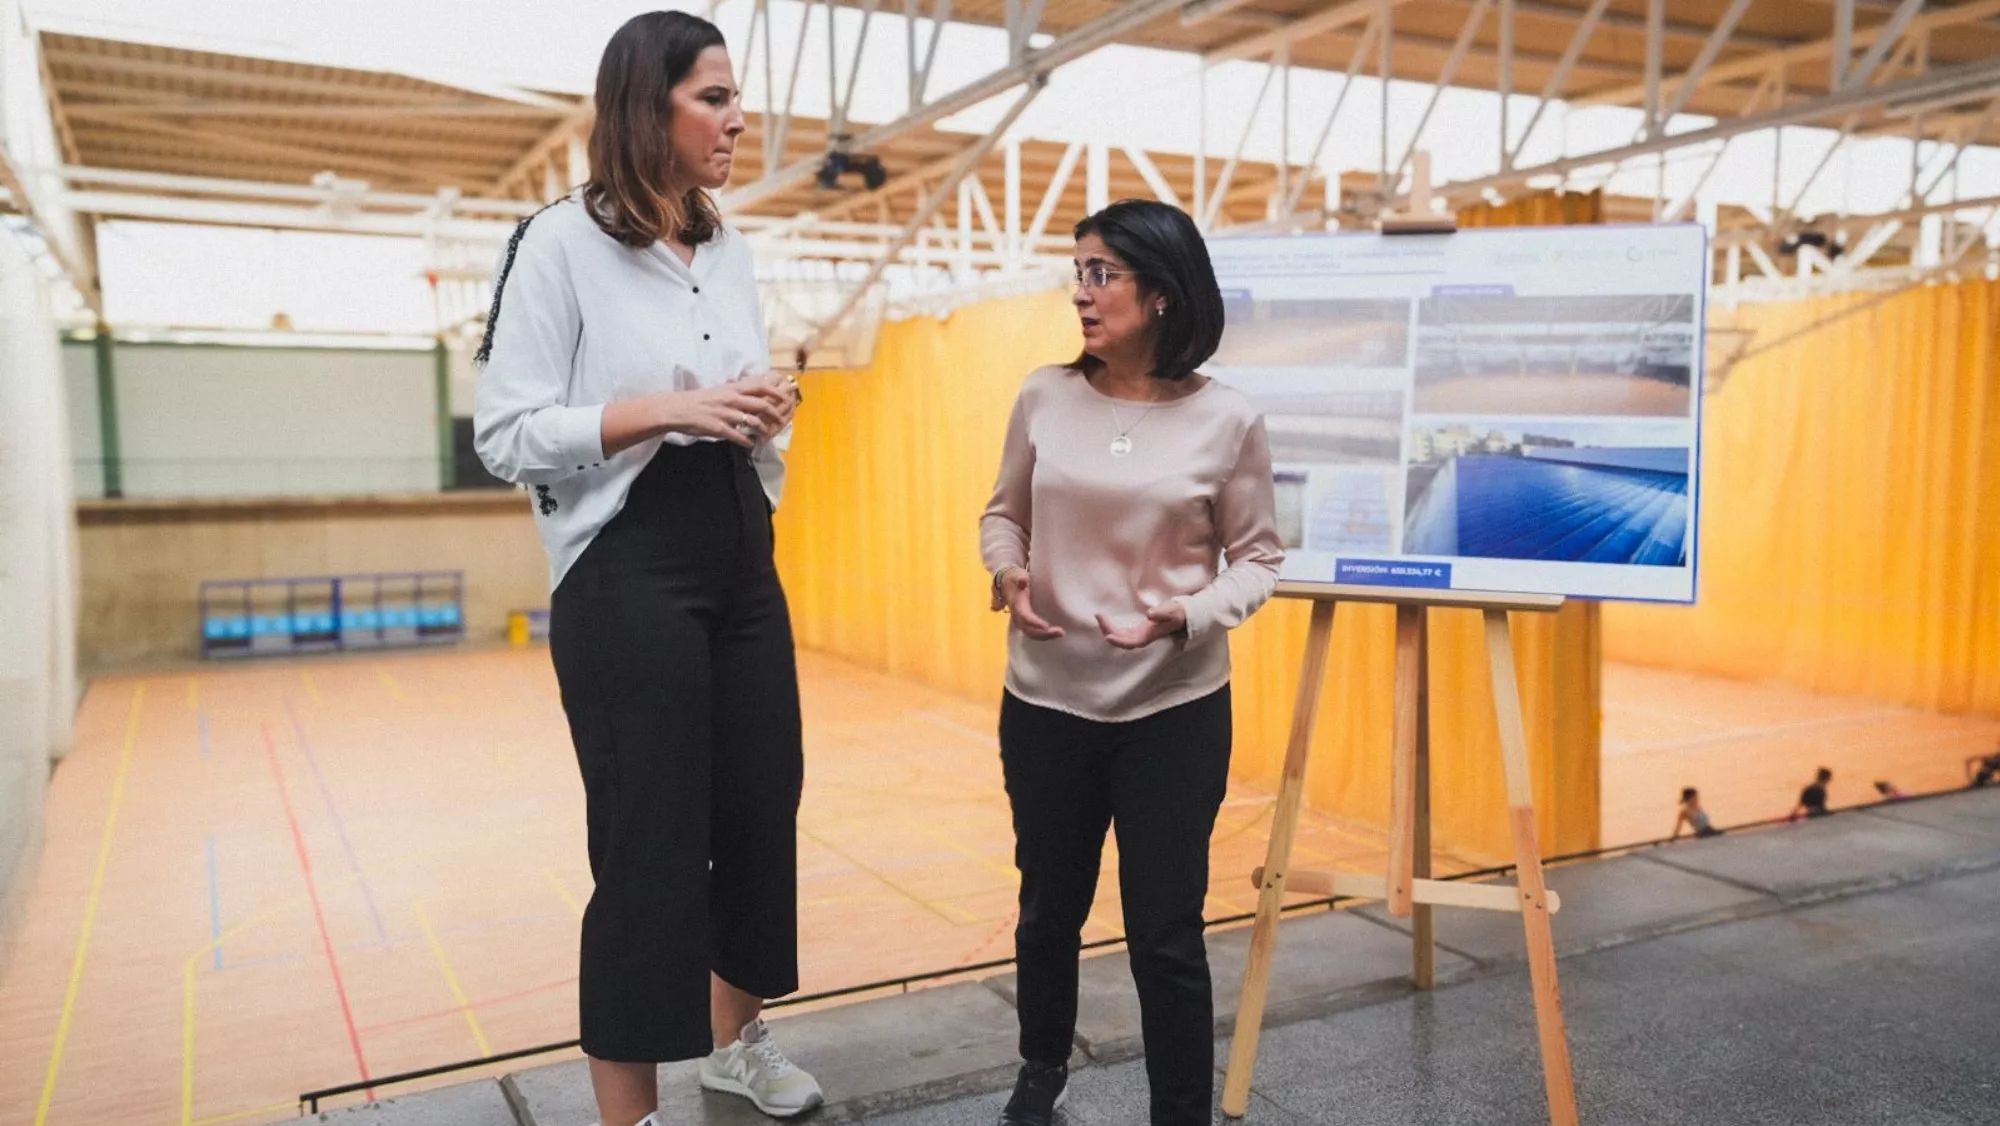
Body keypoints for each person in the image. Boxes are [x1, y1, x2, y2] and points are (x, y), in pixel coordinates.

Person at [473, 12, 818, 1124]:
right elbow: (505, 432)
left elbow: (729, 402)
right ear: (645, 107)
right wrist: (668, 409)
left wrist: (760, 412)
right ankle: (631, 1114)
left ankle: (735, 1044)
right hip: (628, 566)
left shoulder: (728, 248)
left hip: (739, 547)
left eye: (734, 97)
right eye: (713, 98)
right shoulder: (556, 243)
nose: (738, 118)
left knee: (761, 808)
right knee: (648, 841)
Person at [980, 199, 1285, 1126]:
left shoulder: (1229, 418)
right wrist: (1007, 570)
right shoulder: (1043, 395)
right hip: (1045, 703)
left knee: (1165, 932)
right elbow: (1003, 514)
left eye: (1101, 273)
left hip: (1174, 713)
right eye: (1078, 272)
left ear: (1161, 293)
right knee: (1048, 911)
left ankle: (1180, 1113)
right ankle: (1041, 1070)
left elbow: (1260, 561)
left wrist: (1186, 615)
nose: (1082, 292)